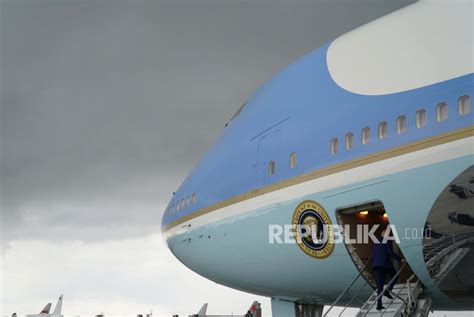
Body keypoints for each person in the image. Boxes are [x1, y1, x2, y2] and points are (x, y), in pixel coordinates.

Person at [372, 227, 403, 311]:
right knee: (395, 276)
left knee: (380, 286)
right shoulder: (387, 241)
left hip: (376, 266)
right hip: (385, 265)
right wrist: (400, 259)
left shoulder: (376, 241)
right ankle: (388, 290)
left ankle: (379, 305)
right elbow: (390, 253)